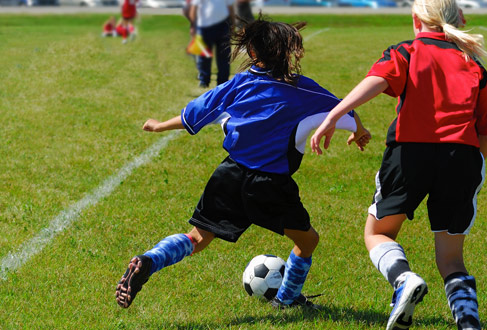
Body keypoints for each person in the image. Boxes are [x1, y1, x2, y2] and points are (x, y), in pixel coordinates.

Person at [115, 16, 372, 310]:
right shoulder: (303, 90)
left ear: (252, 53)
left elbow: (193, 115)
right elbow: (344, 106)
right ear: (287, 52)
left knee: (197, 238)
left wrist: (159, 125)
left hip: (230, 174)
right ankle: (287, 299)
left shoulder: (237, 84)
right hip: (271, 185)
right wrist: (360, 131)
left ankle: (149, 261)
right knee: (308, 241)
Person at [310, 0, 487, 329]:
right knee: (451, 258)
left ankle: (403, 280)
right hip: (462, 158)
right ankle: (469, 321)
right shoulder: (471, 64)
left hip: (409, 154)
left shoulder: (407, 51)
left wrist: (335, 114)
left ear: (417, 20)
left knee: (377, 233)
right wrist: (471, 165)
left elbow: (378, 79)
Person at [189, 0, 235, 88]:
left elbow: (230, 7)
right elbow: (194, 8)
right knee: (204, 56)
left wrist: (232, 24)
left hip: (223, 25)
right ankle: (204, 80)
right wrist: (193, 25)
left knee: (224, 56)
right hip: (203, 26)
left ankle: (223, 81)